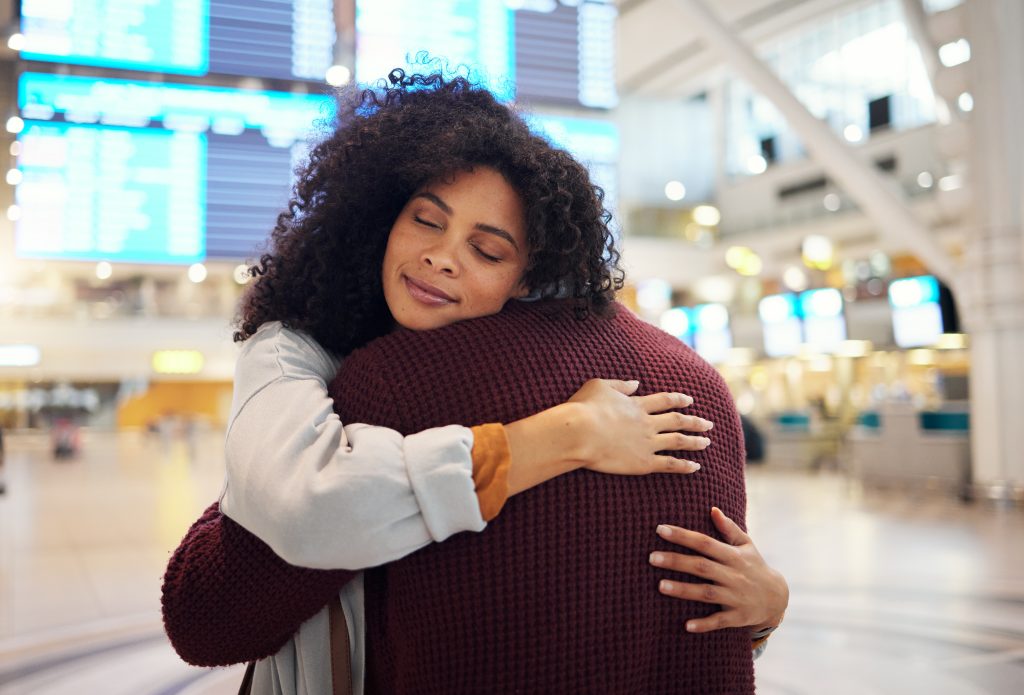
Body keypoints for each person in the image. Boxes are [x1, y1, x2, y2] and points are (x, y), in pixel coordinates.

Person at [162, 67, 787, 693]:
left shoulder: (400, 384)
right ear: (381, 218)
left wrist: (764, 611)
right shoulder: (294, 354)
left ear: (526, 276)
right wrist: (564, 432)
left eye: (487, 251)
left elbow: (670, 611)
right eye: (425, 221)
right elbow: (303, 504)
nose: (442, 256)